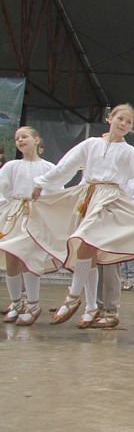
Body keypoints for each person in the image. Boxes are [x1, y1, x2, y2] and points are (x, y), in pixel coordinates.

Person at [29, 104, 134, 329]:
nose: (123, 124)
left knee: (85, 240)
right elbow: (66, 167)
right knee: (89, 251)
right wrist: (41, 184)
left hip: (109, 199)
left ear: (131, 128)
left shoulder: (128, 151)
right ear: (109, 118)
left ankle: (73, 297)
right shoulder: (91, 144)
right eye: (120, 118)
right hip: (87, 196)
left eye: (128, 122)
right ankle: (91, 306)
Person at [0, 127, 57, 325]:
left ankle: (33, 304)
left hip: (36, 215)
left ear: (36, 140)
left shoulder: (49, 167)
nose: (20, 140)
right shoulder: (11, 166)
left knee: (29, 259)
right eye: (17, 138)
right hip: (14, 214)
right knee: (11, 259)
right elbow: (2, 190)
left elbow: (57, 192)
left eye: (24, 137)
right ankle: (16, 303)